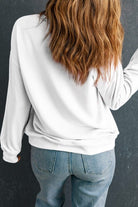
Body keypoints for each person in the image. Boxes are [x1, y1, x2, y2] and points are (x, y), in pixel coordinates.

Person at [0, 0, 138, 206]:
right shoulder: (102, 33)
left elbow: (18, 94)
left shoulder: (25, 27)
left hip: (47, 151)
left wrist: (10, 148)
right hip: (96, 152)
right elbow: (116, 98)